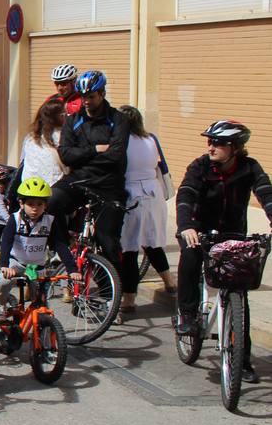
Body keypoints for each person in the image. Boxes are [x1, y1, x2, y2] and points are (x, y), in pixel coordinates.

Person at [173, 121, 272, 384]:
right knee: (190, 256)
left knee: (240, 298)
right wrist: (186, 226)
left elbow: (266, 193)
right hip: (199, 231)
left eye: (218, 143)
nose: (211, 146)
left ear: (236, 148)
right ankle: (187, 314)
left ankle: (243, 362)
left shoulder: (250, 168)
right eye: (210, 141)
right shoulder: (200, 166)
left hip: (233, 235)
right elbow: (186, 194)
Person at [49, 70, 129, 269]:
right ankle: (64, 246)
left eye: (91, 96)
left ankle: (110, 291)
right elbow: (65, 154)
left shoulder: (118, 120)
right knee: (50, 202)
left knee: (107, 241)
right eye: (83, 96)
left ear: (102, 93)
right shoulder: (73, 120)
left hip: (108, 184)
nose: (86, 101)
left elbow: (116, 155)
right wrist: (95, 149)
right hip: (79, 179)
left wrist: (81, 156)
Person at [116, 106, 176, 311]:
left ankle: (129, 299)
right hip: (153, 193)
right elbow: (163, 167)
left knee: (129, 249)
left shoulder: (120, 142)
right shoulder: (152, 139)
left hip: (131, 195)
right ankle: (169, 281)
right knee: (152, 243)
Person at [0, 176, 77, 314]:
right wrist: (4, 266)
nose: (35, 208)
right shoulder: (15, 219)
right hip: (16, 264)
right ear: (21, 204)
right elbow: (6, 243)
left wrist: (72, 268)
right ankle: (0, 306)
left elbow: (60, 245)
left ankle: (40, 325)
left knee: (40, 301)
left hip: (37, 266)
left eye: (40, 204)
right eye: (30, 204)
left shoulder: (50, 221)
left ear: (45, 205)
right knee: (4, 283)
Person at [20, 99, 66, 187]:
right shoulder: (62, 136)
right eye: (64, 114)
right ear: (59, 117)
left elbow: (22, 161)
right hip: (52, 189)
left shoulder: (30, 138)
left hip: (28, 188)